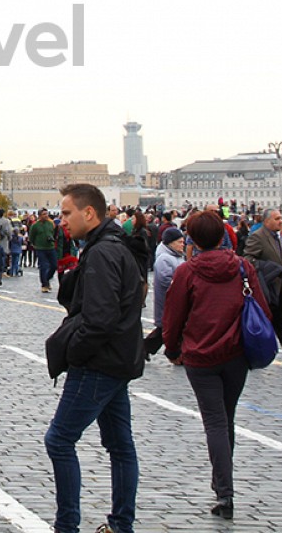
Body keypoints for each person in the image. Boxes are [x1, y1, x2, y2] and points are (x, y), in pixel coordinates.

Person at [42, 184, 145, 533]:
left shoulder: (102, 252)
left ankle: (67, 525)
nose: (62, 221)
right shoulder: (113, 246)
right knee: (120, 445)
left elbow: (99, 318)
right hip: (118, 360)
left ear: (89, 213)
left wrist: (74, 352)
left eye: (67, 213)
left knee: (59, 440)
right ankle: (120, 523)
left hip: (98, 362)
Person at [160, 211, 269, 520]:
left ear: (193, 238)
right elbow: (261, 306)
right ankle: (223, 482)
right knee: (227, 417)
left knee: (215, 422)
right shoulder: (242, 267)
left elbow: (174, 315)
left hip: (200, 355)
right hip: (236, 353)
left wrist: (172, 348)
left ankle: (224, 491)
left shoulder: (187, 272)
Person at [152, 227, 186, 325]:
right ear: (171, 243)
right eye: (180, 242)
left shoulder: (177, 255)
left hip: (175, 307)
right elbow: (166, 281)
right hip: (168, 308)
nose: (182, 245)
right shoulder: (164, 259)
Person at [29, 208, 59, 294]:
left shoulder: (50, 223)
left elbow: (54, 233)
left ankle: (47, 279)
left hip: (51, 247)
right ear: (39, 216)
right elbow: (31, 237)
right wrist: (34, 244)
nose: (46, 216)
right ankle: (44, 285)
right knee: (43, 266)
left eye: (47, 214)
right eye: (44, 214)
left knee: (54, 265)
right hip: (40, 248)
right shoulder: (35, 225)